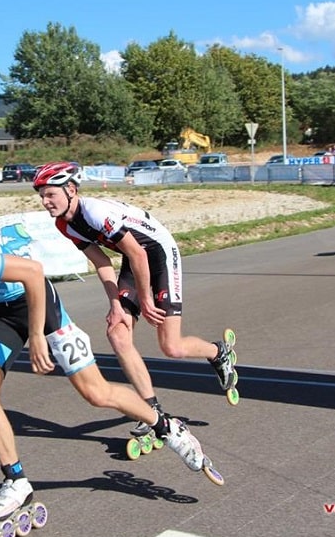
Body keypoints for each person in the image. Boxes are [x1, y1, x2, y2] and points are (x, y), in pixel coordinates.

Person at [0, 201, 220, 521]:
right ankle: (16, 482)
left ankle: (167, 426)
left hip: (40, 308)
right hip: (4, 311)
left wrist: (36, 336)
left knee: (96, 393)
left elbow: (33, 273)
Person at [32, 161, 237, 436]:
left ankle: (217, 353)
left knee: (171, 347)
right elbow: (102, 262)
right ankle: (151, 410)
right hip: (133, 259)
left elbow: (140, 254)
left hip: (158, 254)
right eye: (41, 196)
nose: (45, 202)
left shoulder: (94, 212)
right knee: (117, 334)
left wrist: (146, 300)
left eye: (50, 194)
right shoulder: (64, 224)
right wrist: (115, 304)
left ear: (70, 189)